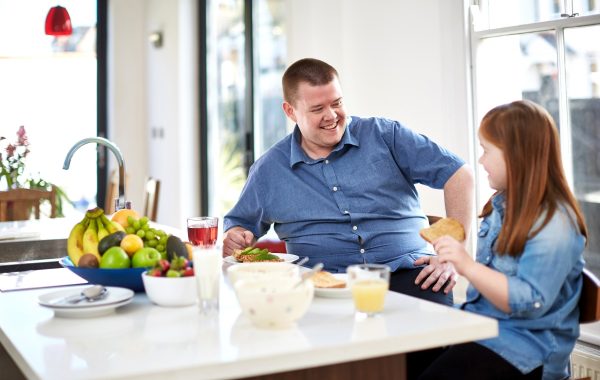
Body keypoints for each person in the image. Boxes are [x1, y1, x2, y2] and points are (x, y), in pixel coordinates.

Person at [223, 58, 474, 305]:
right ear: (290, 111)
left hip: (413, 274)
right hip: (323, 287)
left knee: (429, 341)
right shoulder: (270, 169)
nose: (331, 115)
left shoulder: (385, 135)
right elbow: (241, 227)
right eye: (317, 109)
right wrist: (236, 236)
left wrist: (453, 255)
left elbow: (459, 175)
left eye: (337, 103)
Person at [416, 100, 587, 380]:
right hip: (487, 332)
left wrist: (467, 266)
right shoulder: (500, 206)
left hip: (528, 352)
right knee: (410, 360)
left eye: (486, 151)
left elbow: (529, 303)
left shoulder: (555, 223)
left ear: (516, 155)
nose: (481, 160)